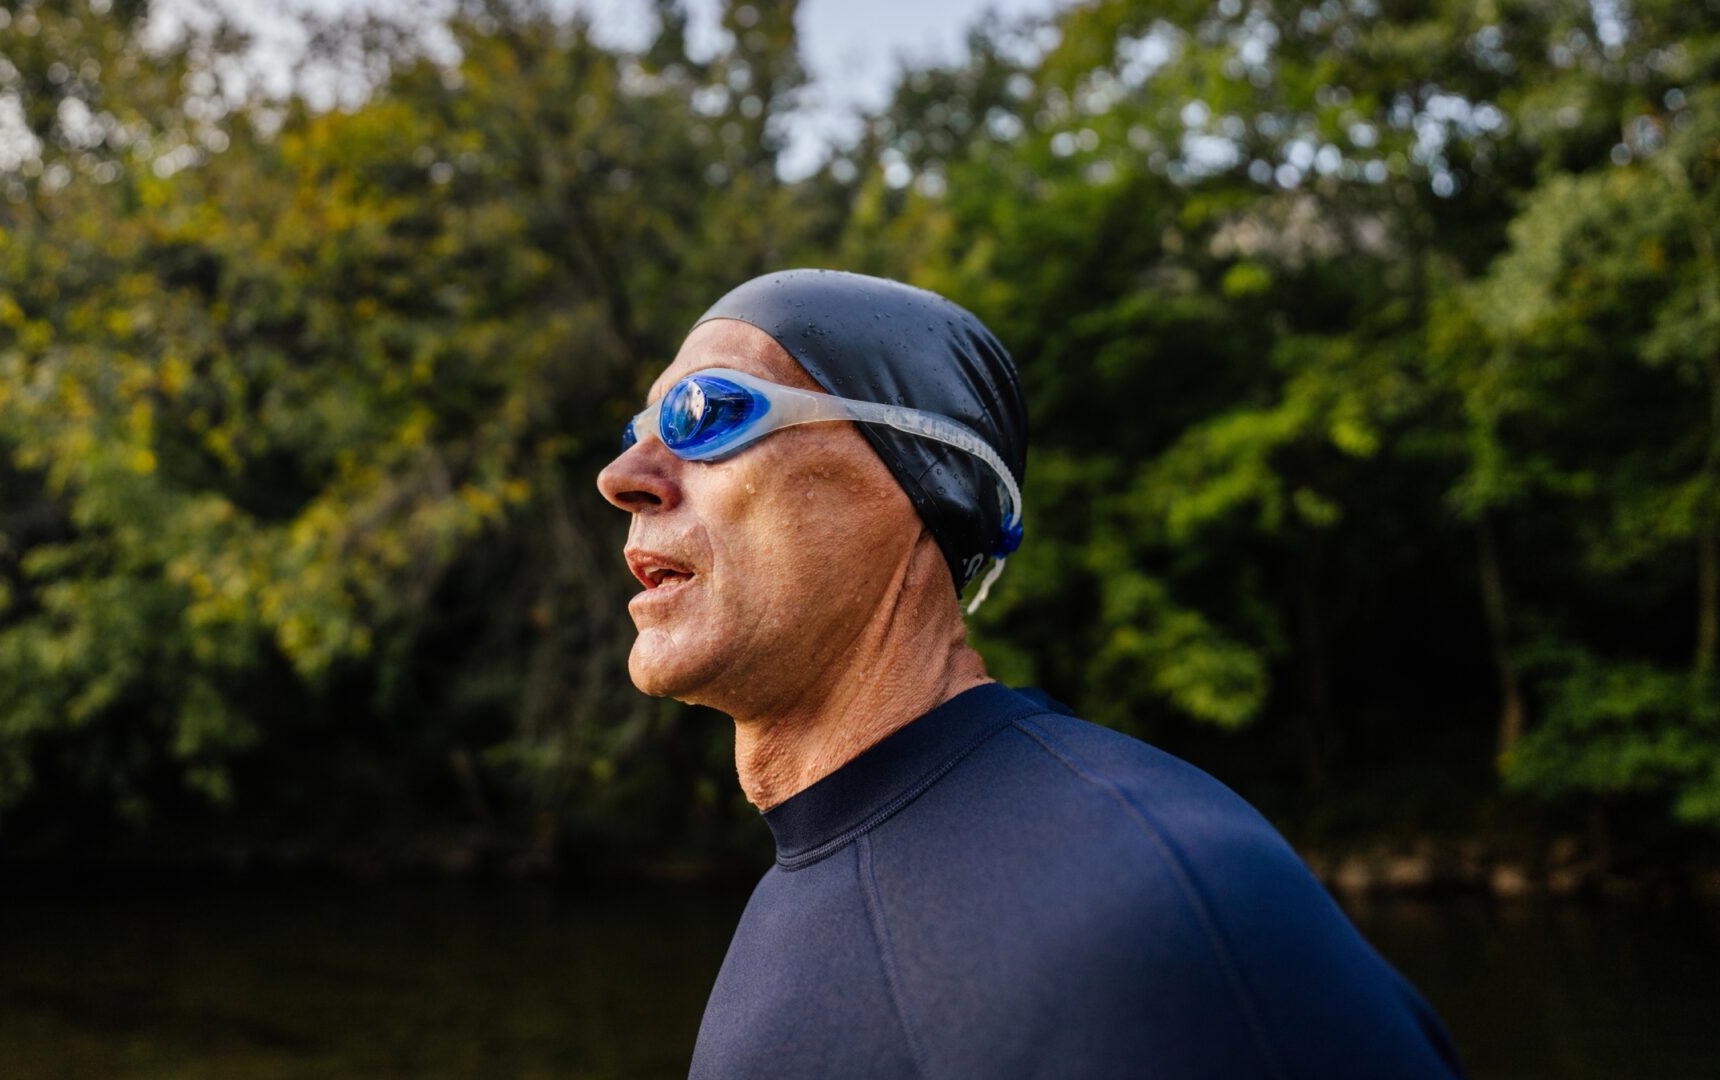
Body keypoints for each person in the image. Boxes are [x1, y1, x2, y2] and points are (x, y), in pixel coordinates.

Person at [596, 268, 1466, 1079]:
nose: (623, 476)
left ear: (917, 475)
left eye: (702, 413)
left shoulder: (1151, 908)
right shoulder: (806, 883)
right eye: (638, 431)